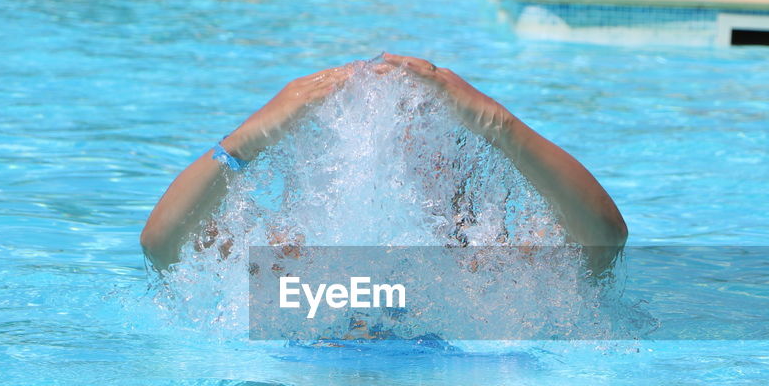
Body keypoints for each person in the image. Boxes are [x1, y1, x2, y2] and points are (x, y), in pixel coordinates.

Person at [140, 54, 628, 274]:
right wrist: (249, 137)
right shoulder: (297, 264)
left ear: (460, 159)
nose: (396, 146)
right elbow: (164, 245)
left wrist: (495, 121)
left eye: (418, 127)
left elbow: (605, 238)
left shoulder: (490, 266)